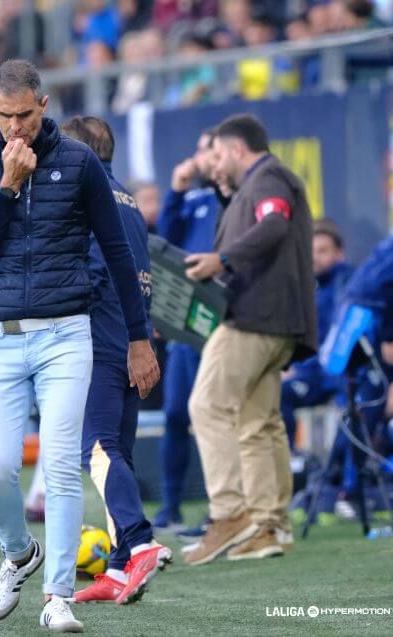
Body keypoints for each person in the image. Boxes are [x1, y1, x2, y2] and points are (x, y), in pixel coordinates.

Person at [0, 59, 159, 632]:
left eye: (23, 115)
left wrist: (139, 338)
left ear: (44, 106)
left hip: (67, 333)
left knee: (63, 466)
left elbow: (118, 253)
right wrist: (6, 188)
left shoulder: (79, 162)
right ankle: (19, 554)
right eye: (4, 117)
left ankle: (57, 597)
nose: (14, 128)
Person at [183, 114, 317, 566]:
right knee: (258, 423)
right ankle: (269, 525)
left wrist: (221, 259)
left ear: (238, 150)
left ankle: (229, 513)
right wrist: (227, 194)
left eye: (218, 154)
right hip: (280, 321)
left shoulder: (268, 176)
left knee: (207, 406)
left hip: (254, 317)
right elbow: (263, 225)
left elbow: (274, 223)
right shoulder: (255, 184)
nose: (214, 163)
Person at [59, 116, 172, 606]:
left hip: (98, 338)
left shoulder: (84, 195)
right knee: (116, 453)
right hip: (130, 337)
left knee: (98, 449)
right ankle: (120, 568)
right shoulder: (126, 198)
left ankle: (140, 539)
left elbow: (95, 271)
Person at [153, 130, 221, 532]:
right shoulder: (193, 199)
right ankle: (171, 504)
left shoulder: (234, 198)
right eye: (198, 150)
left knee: (217, 417)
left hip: (222, 320)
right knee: (177, 413)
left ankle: (221, 508)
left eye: (207, 149)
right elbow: (165, 243)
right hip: (186, 323)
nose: (199, 159)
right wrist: (176, 191)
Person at [280, 220, 353, 447]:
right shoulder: (309, 288)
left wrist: (300, 370)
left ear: (339, 253)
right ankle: (289, 462)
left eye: (323, 251)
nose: (315, 257)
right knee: (272, 391)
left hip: (338, 375)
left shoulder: (346, 283)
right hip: (311, 373)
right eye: (311, 251)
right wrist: (290, 368)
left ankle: (294, 462)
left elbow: (334, 340)